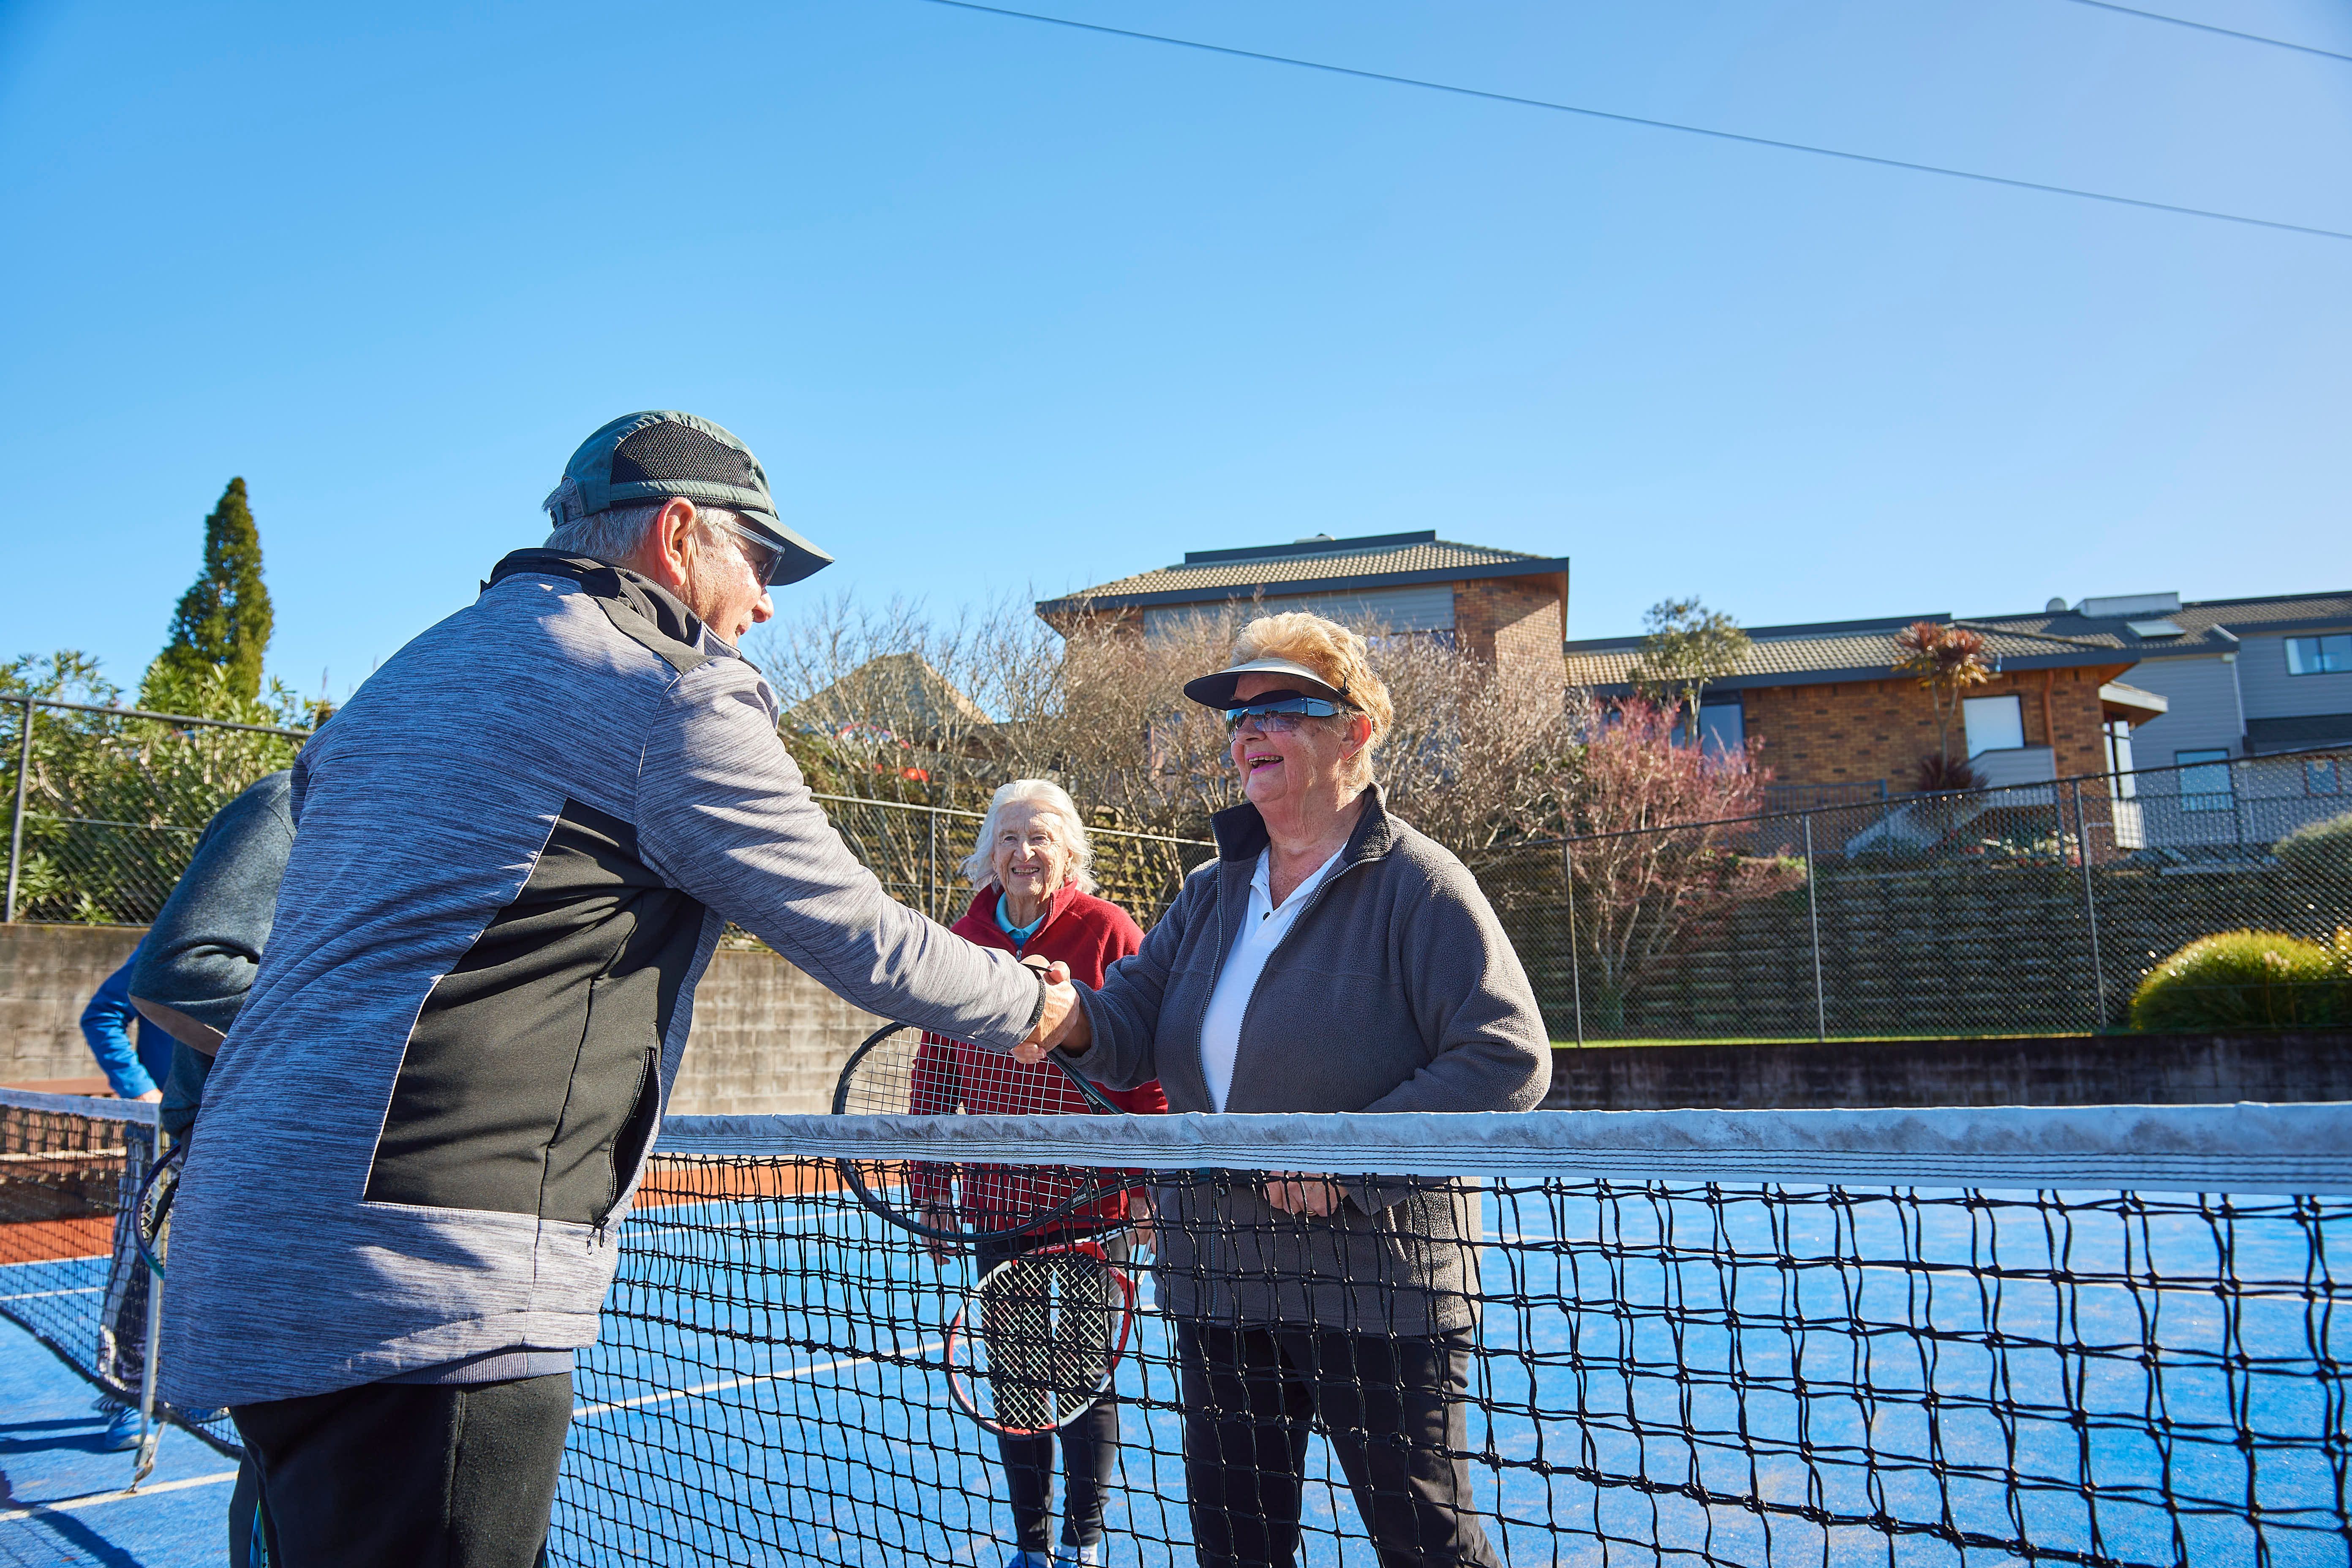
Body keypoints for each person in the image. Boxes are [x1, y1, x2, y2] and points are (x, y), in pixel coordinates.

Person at [157, 411, 1087, 1568]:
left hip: (247, 1245)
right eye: (763, 557)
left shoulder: (409, 672)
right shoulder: (666, 686)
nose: (770, 601)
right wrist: (1053, 1010)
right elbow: (862, 937)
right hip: (430, 1279)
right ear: (679, 534)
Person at [1019, 612, 1551, 1568]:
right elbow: (1127, 1026)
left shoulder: (1421, 887)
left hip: (1378, 1293)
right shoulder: (1210, 891)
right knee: (1237, 1550)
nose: (1247, 731)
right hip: (1220, 1281)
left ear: (1356, 730)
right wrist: (1062, 1014)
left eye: (1282, 710)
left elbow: (1508, 1055)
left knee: (1425, 1547)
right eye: (1236, 718)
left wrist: (1347, 1156)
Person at [910, 780, 1168, 1568]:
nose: (1025, 853)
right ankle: (1031, 1548)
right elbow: (934, 1077)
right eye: (1011, 837)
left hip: (1098, 1202)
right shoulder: (958, 940)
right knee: (1017, 1381)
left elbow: (1147, 1060)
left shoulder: (1109, 930)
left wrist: (1155, 1177)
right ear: (990, 851)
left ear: (1069, 852)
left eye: (1041, 837)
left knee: (1087, 1376)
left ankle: (1082, 1543)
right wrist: (932, 1193)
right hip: (998, 1204)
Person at [129, 765, 296, 1565]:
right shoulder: (291, 800)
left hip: (312, 1174)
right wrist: (389, 1047)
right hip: (250, 1169)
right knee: (292, 1461)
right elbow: (179, 972)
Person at [79, 933, 174, 1449]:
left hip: (231, 1131)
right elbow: (103, 1015)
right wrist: (143, 1092)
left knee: (214, 1259)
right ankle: (123, 1391)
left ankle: (193, 1381)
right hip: (160, 1130)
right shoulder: (178, 928)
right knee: (141, 1261)